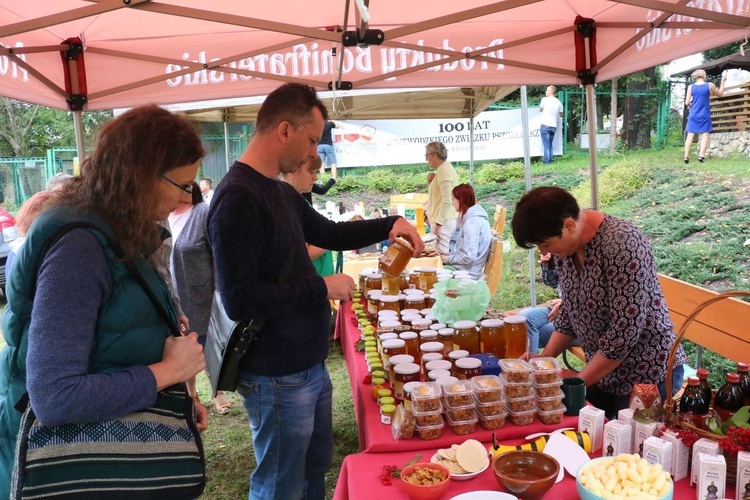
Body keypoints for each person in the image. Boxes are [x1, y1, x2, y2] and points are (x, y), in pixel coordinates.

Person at [207, 82, 423, 500]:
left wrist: (389, 223)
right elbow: (240, 297)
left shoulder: (278, 191)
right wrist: (320, 285)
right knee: (279, 484)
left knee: (311, 471)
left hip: (306, 366)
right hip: (275, 374)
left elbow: (331, 232)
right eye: (310, 140)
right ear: (284, 130)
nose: (312, 153)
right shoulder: (238, 197)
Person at [0, 105, 208, 497]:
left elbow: (117, 338)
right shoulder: (80, 246)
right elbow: (54, 396)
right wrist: (166, 373)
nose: (185, 199)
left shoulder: (120, 229)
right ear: (141, 176)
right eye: (182, 185)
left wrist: (174, 396)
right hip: (72, 467)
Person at [511, 186, 686, 420]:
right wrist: (544, 361)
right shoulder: (568, 249)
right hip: (603, 372)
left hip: (646, 373)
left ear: (569, 226)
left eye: (545, 244)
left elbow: (624, 333)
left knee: (635, 451)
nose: (544, 252)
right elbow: (568, 315)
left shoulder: (621, 242)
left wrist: (576, 382)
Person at [168, 180, 231, 415]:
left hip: (201, 292)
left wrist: (218, 290)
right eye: (179, 187)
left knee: (204, 344)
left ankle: (217, 393)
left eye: (187, 187)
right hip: (173, 294)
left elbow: (217, 252)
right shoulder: (162, 215)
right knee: (183, 343)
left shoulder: (202, 212)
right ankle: (191, 395)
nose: (184, 192)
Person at [281, 156, 335, 277]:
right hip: (311, 280)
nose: (315, 177)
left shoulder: (298, 202)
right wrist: (331, 239)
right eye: (311, 172)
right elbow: (303, 254)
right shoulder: (288, 206)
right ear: (292, 171)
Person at [440, 183, 491, 280]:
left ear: (461, 200)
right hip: (466, 270)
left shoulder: (472, 222)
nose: (452, 203)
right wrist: (447, 256)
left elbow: (469, 257)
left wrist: (447, 259)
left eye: (453, 200)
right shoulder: (474, 217)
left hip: (467, 274)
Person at [517, 253, 562, 353]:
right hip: (561, 309)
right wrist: (547, 265)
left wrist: (568, 301)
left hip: (581, 318)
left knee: (533, 331)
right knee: (524, 320)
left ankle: (530, 366)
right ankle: (531, 364)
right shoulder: (564, 255)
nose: (543, 250)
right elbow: (552, 282)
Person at [684, 69, 726, 164]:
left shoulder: (691, 87)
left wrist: (691, 105)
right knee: (705, 134)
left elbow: (687, 102)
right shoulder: (709, 85)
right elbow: (720, 94)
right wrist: (722, 82)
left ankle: (686, 156)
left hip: (693, 114)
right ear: (703, 75)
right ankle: (701, 156)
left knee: (690, 134)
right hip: (704, 114)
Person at [425, 141, 458, 256]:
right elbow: (438, 195)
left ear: (434, 155)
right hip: (442, 220)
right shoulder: (443, 169)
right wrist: (430, 182)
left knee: (440, 256)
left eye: (427, 155)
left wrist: (438, 225)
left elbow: (447, 200)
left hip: (443, 221)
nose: (426, 159)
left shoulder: (444, 170)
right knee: (437, 255)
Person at [539, 85, 563, 164]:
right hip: (553, 126)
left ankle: (547, 162)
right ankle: (550, 160)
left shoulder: (544, 100)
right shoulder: (558, 102)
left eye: (546, 90)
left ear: (551, 91)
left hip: (545, 124)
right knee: (550, 144)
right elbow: (561, 114)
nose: (545, 92)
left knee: (546, 145)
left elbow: (540, 109)